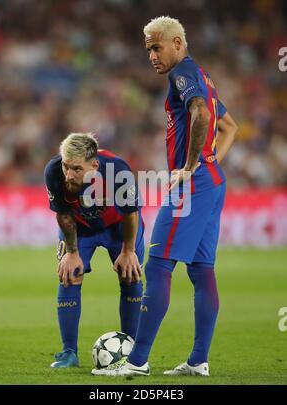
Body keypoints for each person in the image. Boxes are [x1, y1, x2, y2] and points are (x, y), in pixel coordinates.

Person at [92, 16, 238, 377]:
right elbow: (229, 126)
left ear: (177, 43)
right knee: (202, 269)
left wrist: (190, 167)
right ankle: (198, 360)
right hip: (213, 180)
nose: (152, 56)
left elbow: (202, 113)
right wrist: (209, 161)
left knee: (157, 265)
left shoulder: (182, 74)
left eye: (156, 48)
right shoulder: (204, 78)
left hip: (194, 184)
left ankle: (137, 362)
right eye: (148, 50)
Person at [44, 132, 144, 368]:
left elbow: (131, 212)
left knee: (131, 277)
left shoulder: (118, 170)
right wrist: (71, 252)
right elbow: (64, 215)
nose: (69, 174)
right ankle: (69, 353)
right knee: (69, 276)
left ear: (94, 165)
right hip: (80, 230)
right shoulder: (53, 172)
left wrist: (128, 250)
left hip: (118, 228)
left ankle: (133, 353)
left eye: (77, 169)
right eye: (66, 166)